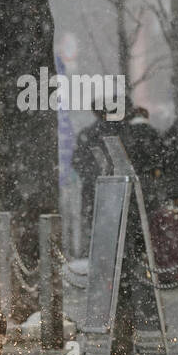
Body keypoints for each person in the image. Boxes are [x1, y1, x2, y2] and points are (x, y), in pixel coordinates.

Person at [71, 107, 121, 256]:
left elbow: (77, 161)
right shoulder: (118, 132)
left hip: (94, 187)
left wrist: (91, 177)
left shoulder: (87, 134)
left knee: (95, 225)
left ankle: (97, 254)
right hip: (114, 189)